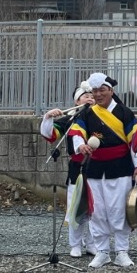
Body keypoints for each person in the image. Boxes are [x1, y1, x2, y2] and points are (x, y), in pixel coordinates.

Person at [68, 72, 137, 268]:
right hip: (94, 168)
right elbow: (76, 132)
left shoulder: (125, 113)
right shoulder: (86, 113)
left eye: (102, 90)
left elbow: (135, 142)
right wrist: (80, 146)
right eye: (95, 91)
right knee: (98, 211)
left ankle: (122, 251)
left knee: (119, 210)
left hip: (120, 167)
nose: (98, 94)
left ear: (111, 91)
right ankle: (102, 251)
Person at [40, 81, 97, 258]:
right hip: (77, 167)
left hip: (98, 166)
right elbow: (49, 135)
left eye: (92, 96)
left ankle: (93, 244)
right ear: (76, 101)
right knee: (76, 206)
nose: (90, 98)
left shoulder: (101, 117)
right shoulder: (69, 119)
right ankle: (75, 244)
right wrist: (48, 117)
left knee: (96, 209)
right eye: (85, 96)